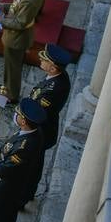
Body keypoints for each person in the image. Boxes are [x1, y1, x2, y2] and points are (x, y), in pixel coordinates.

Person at [24, 44, 73, 207]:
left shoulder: (53, 89)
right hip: (42, 128)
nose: (40, 59)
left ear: (52, 68)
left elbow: (37, 113)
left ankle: (25, 194)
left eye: (44, 59)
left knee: (32, 165)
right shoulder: (58, 76)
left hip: (41, 131)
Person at [0, 0, 44, 100]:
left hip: (16, 39)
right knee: (10, 66)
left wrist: (1, 20)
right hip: (15, 37)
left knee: (13, 68)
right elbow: (17, 7)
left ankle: (11, 95)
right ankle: (6, 87)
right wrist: (2, 6)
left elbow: (20, 23)